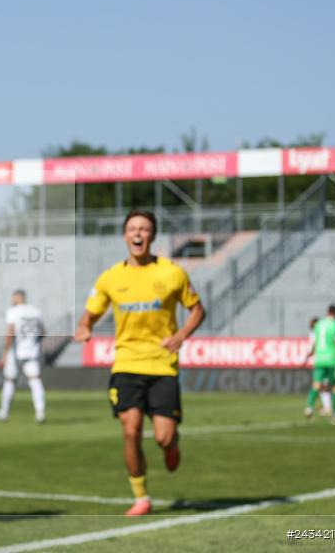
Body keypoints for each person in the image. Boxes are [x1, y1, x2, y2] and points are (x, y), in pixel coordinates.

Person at [75, 210, 204, 517]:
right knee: (130, 430)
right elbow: (90, 313)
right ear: (125, 236)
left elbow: (198, 310)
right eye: (133, 228)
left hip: (162, 365)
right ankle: (141, 497)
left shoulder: (172, 273)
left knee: (163, 436)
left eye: (144, 229)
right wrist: (84, 327)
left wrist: (181, 335)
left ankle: (172, 445)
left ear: (152, 236)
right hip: (126, 363)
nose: (138, 233)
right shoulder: (110, 278)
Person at [0, 289, 46, 423]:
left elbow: (10, 332)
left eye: (13, 298)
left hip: (16, 351)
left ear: (17, 298)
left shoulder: (13, 311)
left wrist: (5, 351)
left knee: (10, 380)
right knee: (35, 380)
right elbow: (43, 331)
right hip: (32, 351)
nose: (12, 300)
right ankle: (40, 413)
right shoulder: (36, 311)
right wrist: (34, 342)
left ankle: (4, 412)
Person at [305, 305, 335, 425]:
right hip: (331, 359)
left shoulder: (318, 325)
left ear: (327, 312)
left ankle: (309, 407)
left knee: (316, 385)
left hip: (319, 359)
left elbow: (315, 342)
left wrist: (312, 352)